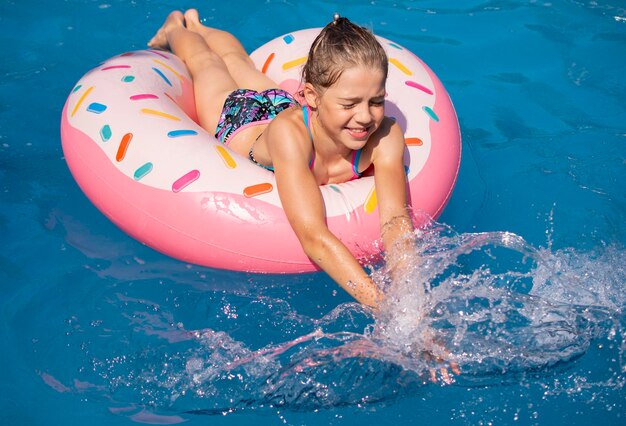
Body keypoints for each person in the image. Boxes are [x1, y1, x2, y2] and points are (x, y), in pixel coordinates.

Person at [148, 10, 414, 310]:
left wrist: (412, 304)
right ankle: (176, 28)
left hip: (283, 104)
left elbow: (395, 220)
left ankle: (198, 24)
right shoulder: (291, 136)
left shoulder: (385, 135)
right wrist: (385, 308)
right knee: (206, 64)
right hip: (242, 120)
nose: (366, 117)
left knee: (238, 61)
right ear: (312, 97)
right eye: (350, 104)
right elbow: (313, 236)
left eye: (376, 101)